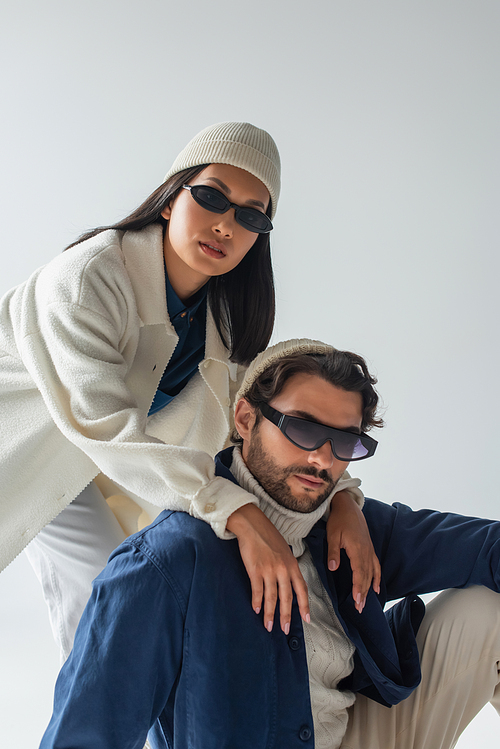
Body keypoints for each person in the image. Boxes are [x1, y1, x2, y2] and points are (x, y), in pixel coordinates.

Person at [0, 123, 378, 659]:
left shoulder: (222, 321)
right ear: (170, 197)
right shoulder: (88, 277)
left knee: (147, 596)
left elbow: (261, 424)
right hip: (31, 449)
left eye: (250, 215)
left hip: (112, 462)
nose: (225, 225)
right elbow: (96, 421)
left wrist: (342, 497)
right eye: (210, 197)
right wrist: (235, 509)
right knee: (106, 593)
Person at [39, 338, 500, 749]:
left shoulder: (349, 525)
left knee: (488, 609)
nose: (322, 457)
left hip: (352, 735)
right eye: (302, 427)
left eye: (344, 441)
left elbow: (487, 547)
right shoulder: (168, 561)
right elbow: (88, 730)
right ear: (245, 418)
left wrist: (348, 505)